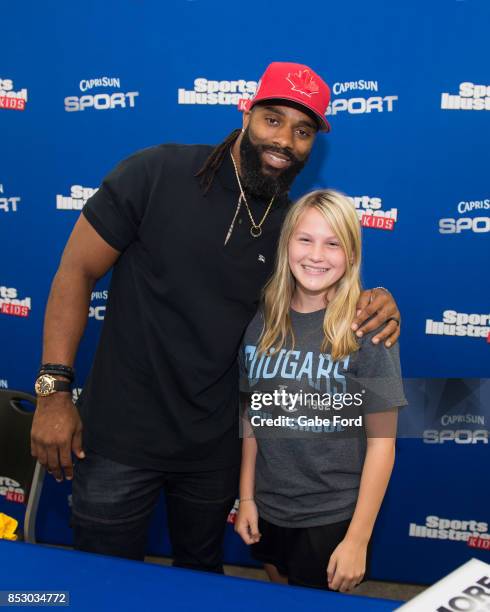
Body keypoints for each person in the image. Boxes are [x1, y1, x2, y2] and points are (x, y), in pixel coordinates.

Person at [30, 62, 401, 572]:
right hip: (118, 438)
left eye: (303, 131)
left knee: (201, 581)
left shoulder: (292, 227)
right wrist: (53, 389)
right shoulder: (155, 173)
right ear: (245, 112)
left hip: (213, 452)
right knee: (102, 580)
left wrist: (377, 296)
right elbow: (74, 273)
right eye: (273, 119)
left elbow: (329, 285)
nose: (285, 141)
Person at [234, 189, 407, 592]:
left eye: (333, 244)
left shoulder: (368, 329)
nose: (316, 255)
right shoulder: (261, 323)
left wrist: (358, 538)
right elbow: (251, 419)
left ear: (351, 254)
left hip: (332, 515)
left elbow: (383, 445)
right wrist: (247, 497)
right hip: (270, 507)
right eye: (305, 239)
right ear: (287, 243)